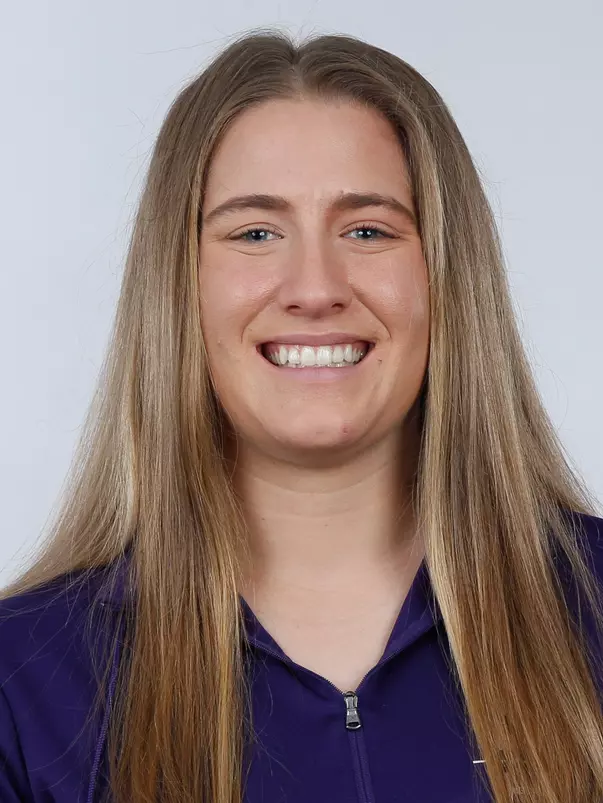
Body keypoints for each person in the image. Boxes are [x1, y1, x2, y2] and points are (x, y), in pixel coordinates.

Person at [1, 27, 603, 803]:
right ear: (178, 284)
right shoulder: (26, 686)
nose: (314, 286)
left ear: (445, 276)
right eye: (255, 232)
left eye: (367, 230)